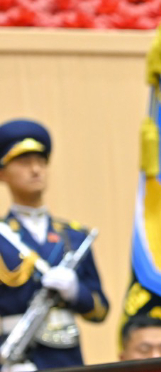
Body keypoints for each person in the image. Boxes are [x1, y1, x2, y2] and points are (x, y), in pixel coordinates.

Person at [0, 119, 109, 370]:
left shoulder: (73, 236)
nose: (35, 170)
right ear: (2, 173)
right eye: (24, 162)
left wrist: (75, 292)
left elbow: (100, 310)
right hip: (15, 357)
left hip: (66, 357)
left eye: (41, 161)